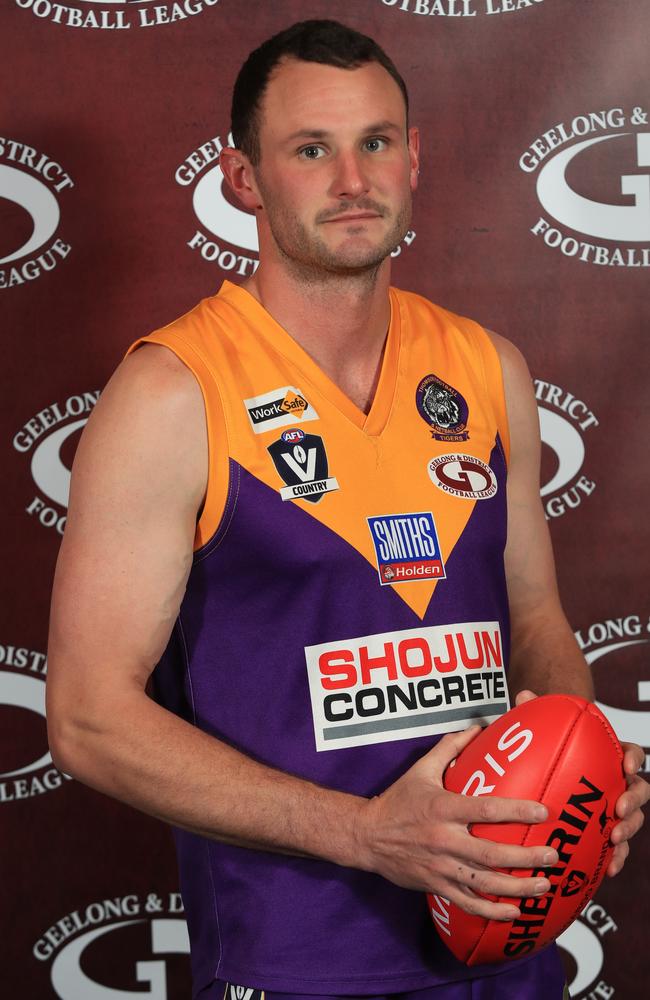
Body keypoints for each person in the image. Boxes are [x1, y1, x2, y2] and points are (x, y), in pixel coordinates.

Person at [47, 19, 647, 1000]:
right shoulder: (173, 392)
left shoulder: (486, 366)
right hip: (298, 960)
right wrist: (367, 833)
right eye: (309, 150)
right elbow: (85, 716)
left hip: (504, 935)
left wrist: (586, 768)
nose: (352, 180)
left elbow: (533, 619)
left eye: (374, 142)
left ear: (412, 159)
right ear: (243, 179)